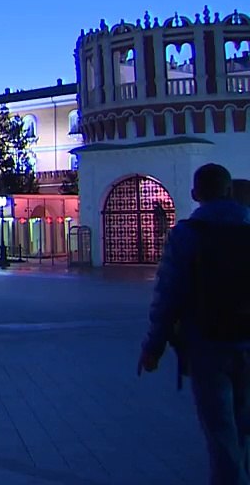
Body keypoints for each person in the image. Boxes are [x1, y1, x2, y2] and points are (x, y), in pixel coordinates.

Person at [138, 163, 250, 485]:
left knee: (219, 429)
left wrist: (154, 346)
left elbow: (168, 294)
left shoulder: (186, 234)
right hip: (248, 340)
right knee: (243, 425)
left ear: (195, 193)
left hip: (206, 343)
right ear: (229, 190)